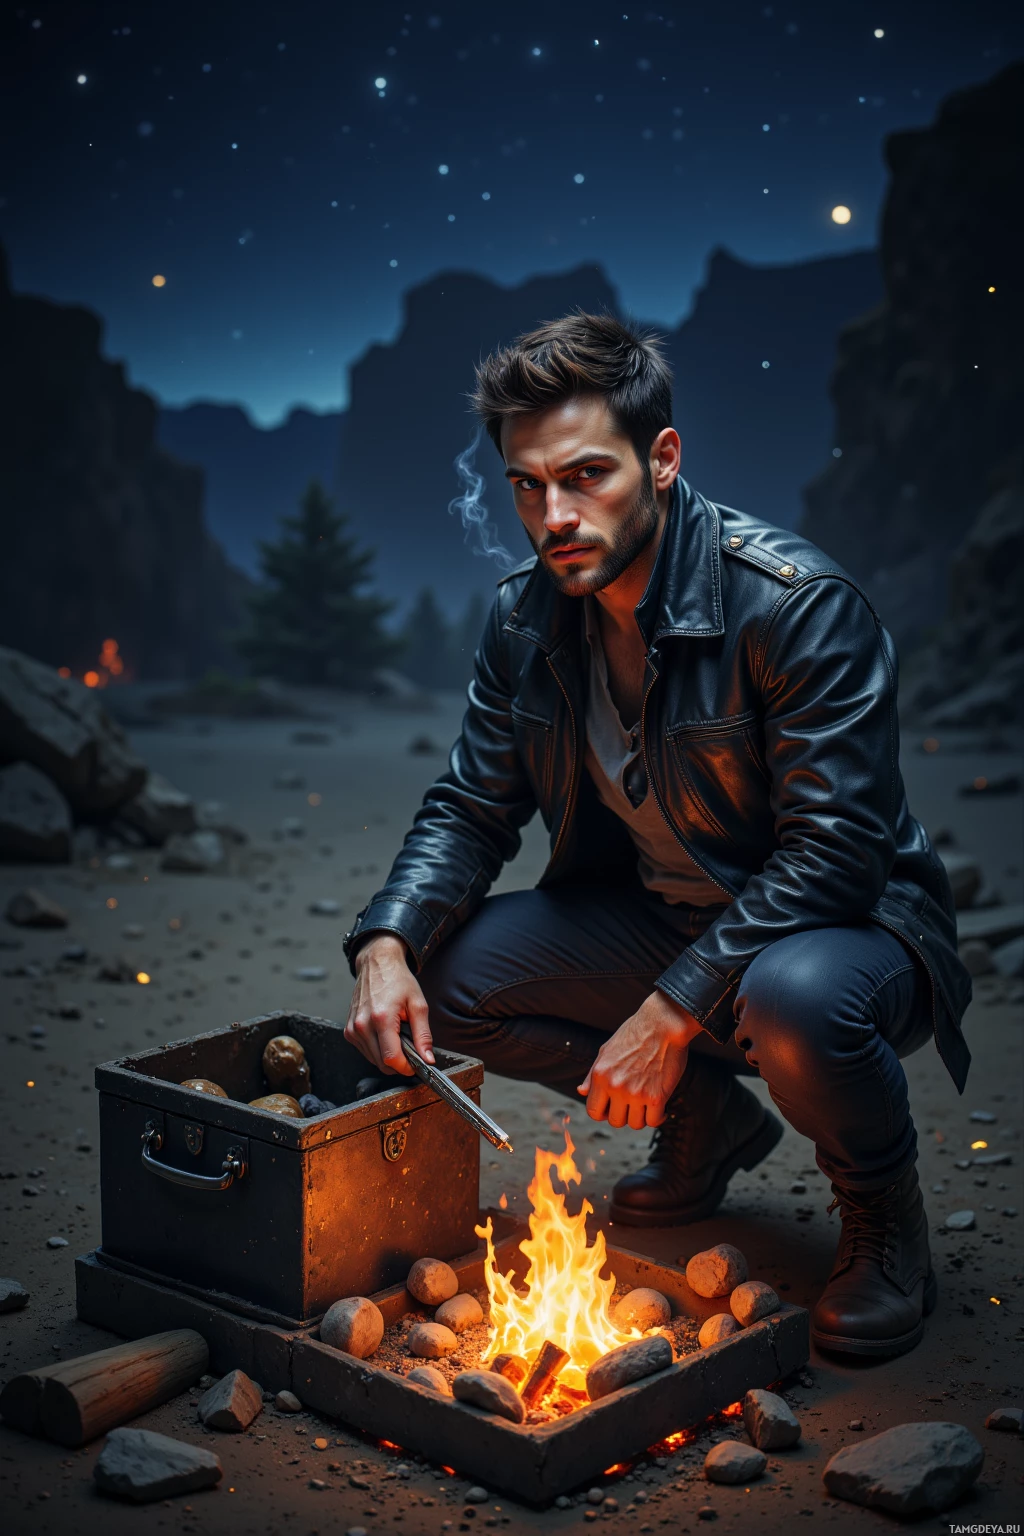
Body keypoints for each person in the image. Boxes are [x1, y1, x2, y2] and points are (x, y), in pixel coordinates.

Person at [343, 312, 971, 1361]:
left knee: (793, 999)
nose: (555, 514)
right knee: (445, 979)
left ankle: (883, 1217)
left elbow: (836, 857)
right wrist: (384, 943)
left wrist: (671, 1010)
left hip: (845, 938)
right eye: (528, 485)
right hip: (657, 922)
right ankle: (707, 1122)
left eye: (587, 475)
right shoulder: (523, 619)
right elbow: (471, 806)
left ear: (663, 459)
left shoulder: (794, 605)